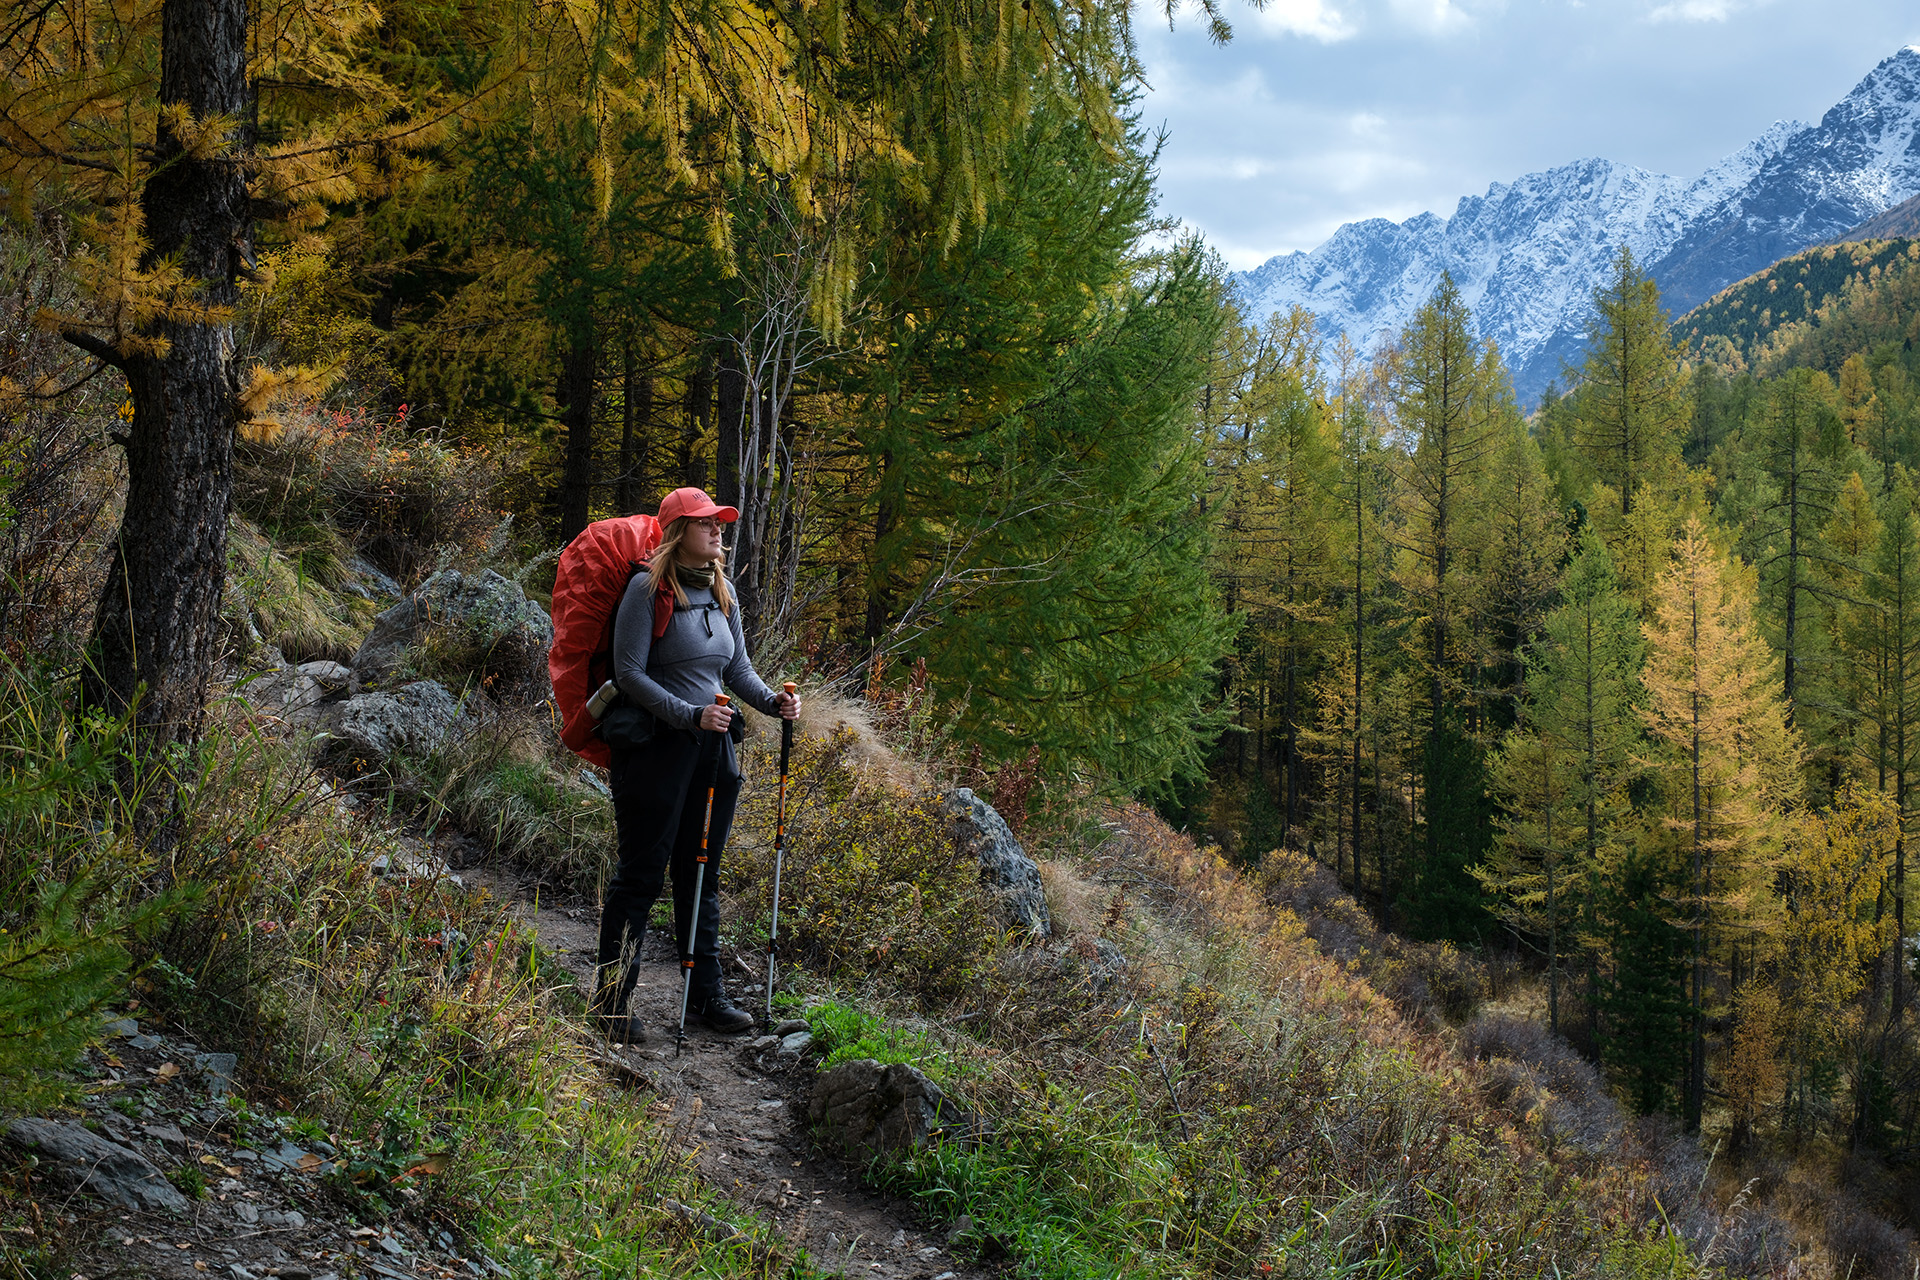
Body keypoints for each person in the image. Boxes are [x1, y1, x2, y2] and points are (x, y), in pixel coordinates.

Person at [592, 487, 801, 1041]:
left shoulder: (720, 590)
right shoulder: (646, 590)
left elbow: (737, 670)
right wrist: (690, 715)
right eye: (706, 523)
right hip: (656, 755)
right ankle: (612, 1003)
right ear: (678, 530)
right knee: (640, 877)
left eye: (719, 524)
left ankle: (706, 997)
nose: (717, 532)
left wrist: (773, 704)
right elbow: (629, 673)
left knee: (701, 875)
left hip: (713, 757)